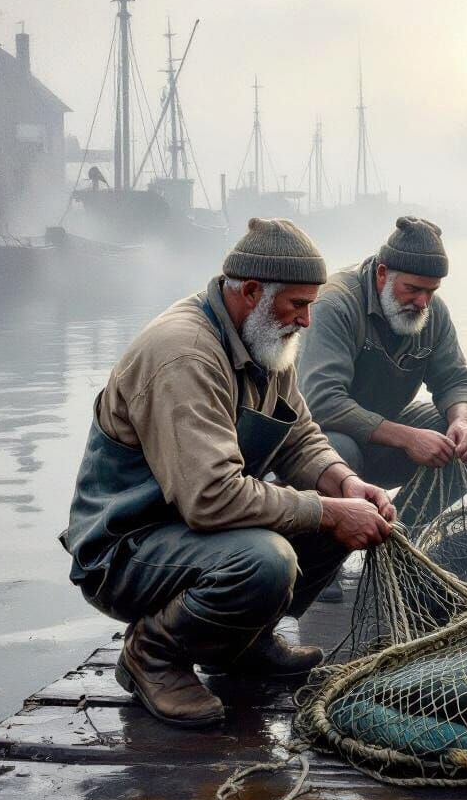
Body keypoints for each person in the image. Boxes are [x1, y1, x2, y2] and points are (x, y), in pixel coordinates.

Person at [60, 218, 395, 729]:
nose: (307, 320)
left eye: (310, 304)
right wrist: (326, 510)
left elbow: (299, 434)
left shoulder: (266, 335)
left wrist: (345, 484)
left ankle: (241, 645)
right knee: (268, 560)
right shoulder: (185, 354)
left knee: (338, 524)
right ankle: (152, 654)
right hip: (127, 548)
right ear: (254, 291)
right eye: (298, 305)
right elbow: (212, 498)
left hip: (191, 530)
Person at [299, 217, 467, 511]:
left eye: (431, 291)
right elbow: (321, 402)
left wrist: (461, 421)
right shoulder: (333, 305)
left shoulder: (432, 311)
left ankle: (404, 534)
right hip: (322, 440)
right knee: (340, 450)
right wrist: (408, 438)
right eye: (413, 289)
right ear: (382, 273)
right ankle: (332, 546)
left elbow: (457, 381)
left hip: (383, 437)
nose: (422, 302)